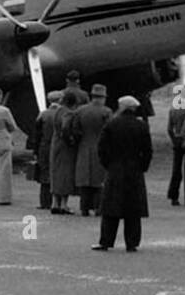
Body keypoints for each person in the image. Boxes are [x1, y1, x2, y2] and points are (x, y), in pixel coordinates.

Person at [93, 96, 152, 252]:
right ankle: (132, 243)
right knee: (133, 210)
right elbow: (147, 151)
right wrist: (142, 167)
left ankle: (105, 241)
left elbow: (102, 148)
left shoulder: (112, 124)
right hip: (135, 170)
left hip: (115, 169)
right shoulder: (142, 126)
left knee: (110, 208)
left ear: (122, 107)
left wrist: (108, 165)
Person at [73, 84, 111, 217]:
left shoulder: (80, 111)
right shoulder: (106, 112)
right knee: (99, 181)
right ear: (103, 98)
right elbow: (109, 131)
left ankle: (84, 208)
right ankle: (98, 208)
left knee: (85, 180)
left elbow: (75, 130)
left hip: (83, 147)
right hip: (100, 149)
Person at [26, 91, 61, 210]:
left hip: (44, 147)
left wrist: (35, 151)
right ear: (60, 100)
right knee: (57, 173)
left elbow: (36, 135)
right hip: (58, 147)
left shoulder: (42, 115)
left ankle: (44, 202)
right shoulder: (63, 114)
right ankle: (57, 202)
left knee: (44, 174)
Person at [50, 90, 81, 214]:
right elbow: (65, 127)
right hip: (65, 146)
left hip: (55, 143)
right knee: (66, 173)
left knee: (55, 171)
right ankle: (63, 204)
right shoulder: (69, 113)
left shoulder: (58, 111)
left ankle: (54, 202)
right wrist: (71, 140)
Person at [166, 85, 185, 206]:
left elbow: (169, 129)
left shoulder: (173, 109)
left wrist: (174, 140)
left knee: (176, 170)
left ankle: (173, 195)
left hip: (177, 141)